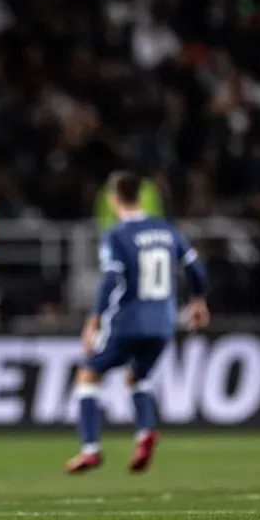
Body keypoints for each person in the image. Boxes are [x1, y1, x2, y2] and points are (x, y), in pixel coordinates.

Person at [67, 171, 210, 475]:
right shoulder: (167, 230)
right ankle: (145, 431)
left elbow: (110, 280)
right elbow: (195, 268)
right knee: (138, 376)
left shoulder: (117, 235)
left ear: (114, 197)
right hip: (162, 324)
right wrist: (198, 301)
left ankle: (90, 449)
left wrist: (93, 320)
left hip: (127, 322)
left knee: (87, 377)